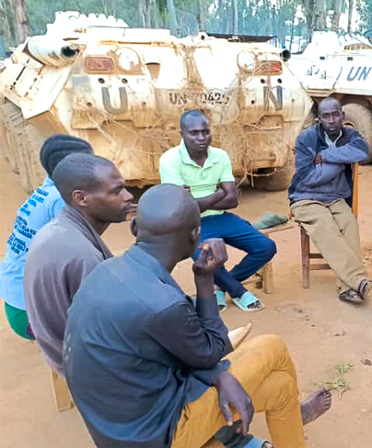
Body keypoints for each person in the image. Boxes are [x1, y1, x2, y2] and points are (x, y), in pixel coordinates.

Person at [64, 184, 332, 448]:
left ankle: (293, 419)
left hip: (119, 425)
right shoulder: (162, 303)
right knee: (272, 345)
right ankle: (291, 418)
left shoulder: (108, 269)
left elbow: (177, 337)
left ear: (134, 228)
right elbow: (213, 349)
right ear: (196, 235)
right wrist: (205, 278)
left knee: (279, 386)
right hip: (160, 432)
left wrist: (215, 374)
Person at [24, 153, 134, 374]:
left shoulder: (60, 227)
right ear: (81, 198)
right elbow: (112, 331)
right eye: (116, 191)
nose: (128, 196)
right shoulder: (83, 256)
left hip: (63, 346)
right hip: (85, 367)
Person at [160, 110, 275, 312]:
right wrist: (216, 194)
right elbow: (184, 208)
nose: (201, 137)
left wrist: (195, 198)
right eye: (194, 133)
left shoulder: (219, 156)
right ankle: (239, 292)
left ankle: (220, 286)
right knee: (203, 255)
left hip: (221, 218)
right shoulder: (170, 159)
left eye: (205, 132)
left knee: (266, 247)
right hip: (190, 223)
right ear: (182, 134)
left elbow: (232, 200)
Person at [1, 135, 93, 340]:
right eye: (88, 165)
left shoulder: (48, 190)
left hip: (16, 301)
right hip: (27, 313)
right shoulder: (61, 201)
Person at [288, 97, 372, 303]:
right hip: (305, 198)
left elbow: (362, 151)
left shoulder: (350, 135)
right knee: (325, 224)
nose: (332, 120)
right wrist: (341, 161)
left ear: (342, 116)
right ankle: (357, 280)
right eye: (326, 116)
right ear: (319, 119)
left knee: (349, 224)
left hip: (335, 198)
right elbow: (308, 177)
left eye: (336, 114)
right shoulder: (306, 139)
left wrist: (326, 156)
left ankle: (346, 288)